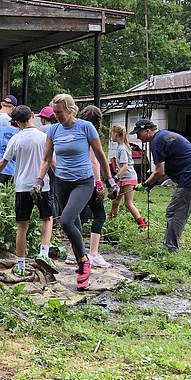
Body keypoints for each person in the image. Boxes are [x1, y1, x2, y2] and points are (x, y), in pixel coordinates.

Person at [35, 94, 117, 291]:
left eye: (60, 113)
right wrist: (39, 180)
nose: (57, 116)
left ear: (71, 110)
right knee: (75, 224)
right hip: (62, 183)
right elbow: (46, 159)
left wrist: (110, 179)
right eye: (54, 113)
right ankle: (83, 270)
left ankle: (83, 260)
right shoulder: (53, 130)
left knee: (66, 221)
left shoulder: (85, 128)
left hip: (83, 182)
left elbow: (99, 154)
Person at [0, 105, 56, 276]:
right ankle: (43, 253)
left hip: (22, 186)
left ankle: (21, 265)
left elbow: (2, 162)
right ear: (32, 116)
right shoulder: (44, 137)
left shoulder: (16, 139)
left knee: (22, 225)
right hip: (42, 184)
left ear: (16, 122)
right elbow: (52, 162)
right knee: (48, 218)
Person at [131, 119, 191, 252]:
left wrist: (145, 184)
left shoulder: (157, 142)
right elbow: (167, 168)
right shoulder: (163, 136)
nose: (137, 137)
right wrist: (152, 183)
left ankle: (170, 249)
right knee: (176, 211)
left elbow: (159, 171)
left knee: (176, 212)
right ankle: (170, 246)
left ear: (147, 131)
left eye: (138, 133)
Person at [74, 106, 110, 268]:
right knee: (99, 215)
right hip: (89, 180)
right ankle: (93, 253)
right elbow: (94, 161)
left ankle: (73, 251)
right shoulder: (91, 134)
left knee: (78, 215)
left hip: (74, 179)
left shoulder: (74, 132)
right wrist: (99, 182)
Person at [109, 125, 147, 229]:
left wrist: (116, 177)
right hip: (123, 178)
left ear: (116, 134)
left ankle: (143, 225)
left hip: (129, 178)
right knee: (115, 202)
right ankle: (111, 224)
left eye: (111, 133)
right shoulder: (120, 147)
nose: (111, 136)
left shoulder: (123, 148)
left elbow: (125, 166)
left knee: (128, 203)